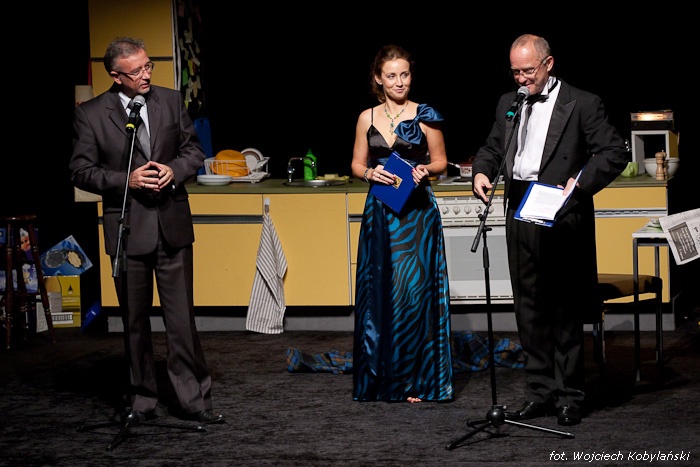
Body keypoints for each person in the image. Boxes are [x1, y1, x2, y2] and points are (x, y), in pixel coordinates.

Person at [472, 34, 628, 425]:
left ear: (548, 64)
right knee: (529, 306)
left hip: (560, 208)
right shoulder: (508, 103)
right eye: (515, 72)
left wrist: (580, 182)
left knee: (563, 306)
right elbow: (493, 148)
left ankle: (569, 395)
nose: (521, 79)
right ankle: (539, 392)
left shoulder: (583, 103)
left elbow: (614, 152)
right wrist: (481, 172)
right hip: (518, 205)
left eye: (528, 71)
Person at [69, 37, 224, 424]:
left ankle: (194, 400)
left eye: (148, 66)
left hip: (172, 224)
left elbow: (194, 151)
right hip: (127, 229)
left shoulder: (170, 100)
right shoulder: (91, 114)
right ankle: (142, 399)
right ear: (116, 76)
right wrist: (128, 180)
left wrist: (175, 169)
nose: (146, 75)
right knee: (134, 322)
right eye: (136, 70)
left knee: (181, 320)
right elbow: (81, 171)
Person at [350, 44, 453, 403]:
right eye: (391, 75)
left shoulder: (425, 115)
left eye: (404, 74)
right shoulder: (367, 117)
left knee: (415, 294)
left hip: (417, 215)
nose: (399, 81)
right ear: (379, 78)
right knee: (380, 292)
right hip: (381, 212)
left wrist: (426, 169)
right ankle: (384, 379)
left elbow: (441, 161)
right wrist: (369, 174)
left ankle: (418, 380)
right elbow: (356, 164)